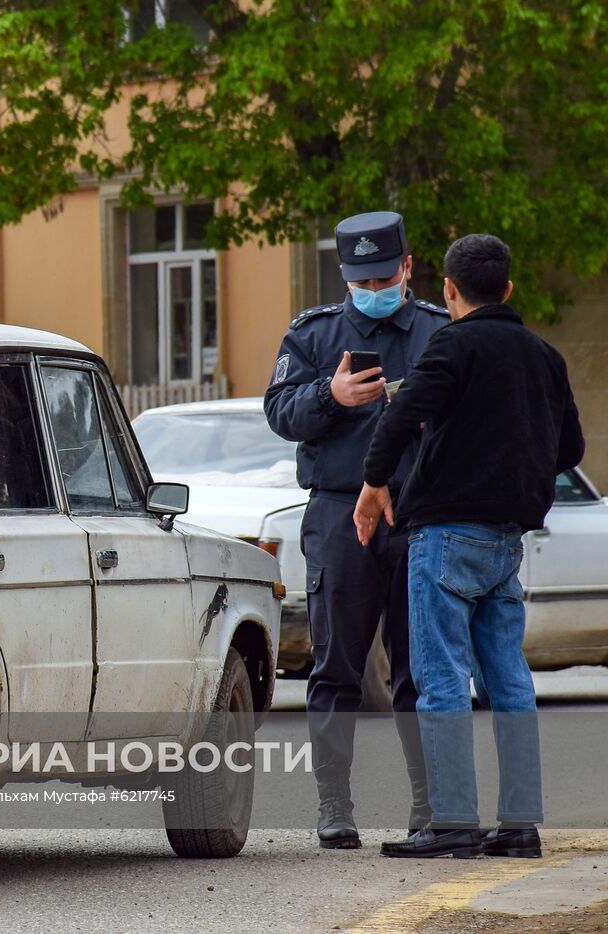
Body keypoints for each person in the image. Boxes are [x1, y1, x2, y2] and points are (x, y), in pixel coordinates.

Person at [356, 233, 583, 859]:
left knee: (442, 678)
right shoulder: (545, 356)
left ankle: (453, 823)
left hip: (445, 534)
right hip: (508, 542)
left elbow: (399, 419)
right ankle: (519, 827)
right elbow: (571, 452)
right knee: (509, 679)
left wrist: (374, 485)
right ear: (508, 289)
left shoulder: (450, 345)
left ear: (449, 291)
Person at [264, 211, 448, 849]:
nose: (373, 289)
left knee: (419, 669)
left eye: (382, 276)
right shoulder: (315, 335)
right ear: (345, 277)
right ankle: (334, 806)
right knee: (336, 663)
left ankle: (428, 806)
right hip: (341, 515)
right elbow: (279, 411)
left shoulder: (436, 329)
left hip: (419, 514)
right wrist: (330, 395)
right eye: (360, 279)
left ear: (406, 267)